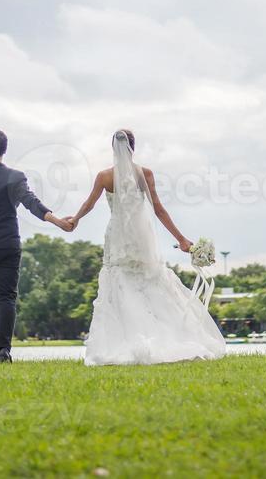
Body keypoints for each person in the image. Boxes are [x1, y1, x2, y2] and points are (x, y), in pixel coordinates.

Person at [66, 129, 226, 366]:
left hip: (118, 236)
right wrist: (181, 239)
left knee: (119, 283)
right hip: (142, 236)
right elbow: (158, 209)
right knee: (152, 283)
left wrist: (75, 219)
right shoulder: (145, 174)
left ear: (113, 148)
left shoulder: (104, 176)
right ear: (133, 147)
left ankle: (124, 339)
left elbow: (88, 203)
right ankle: (167, 335)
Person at [0, 128, 74, 362]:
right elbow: (31, 203)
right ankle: (4, 351)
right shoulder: (15, 177)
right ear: (5, 150)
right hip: (9, 244)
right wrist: (57, 220)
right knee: (7, 297)